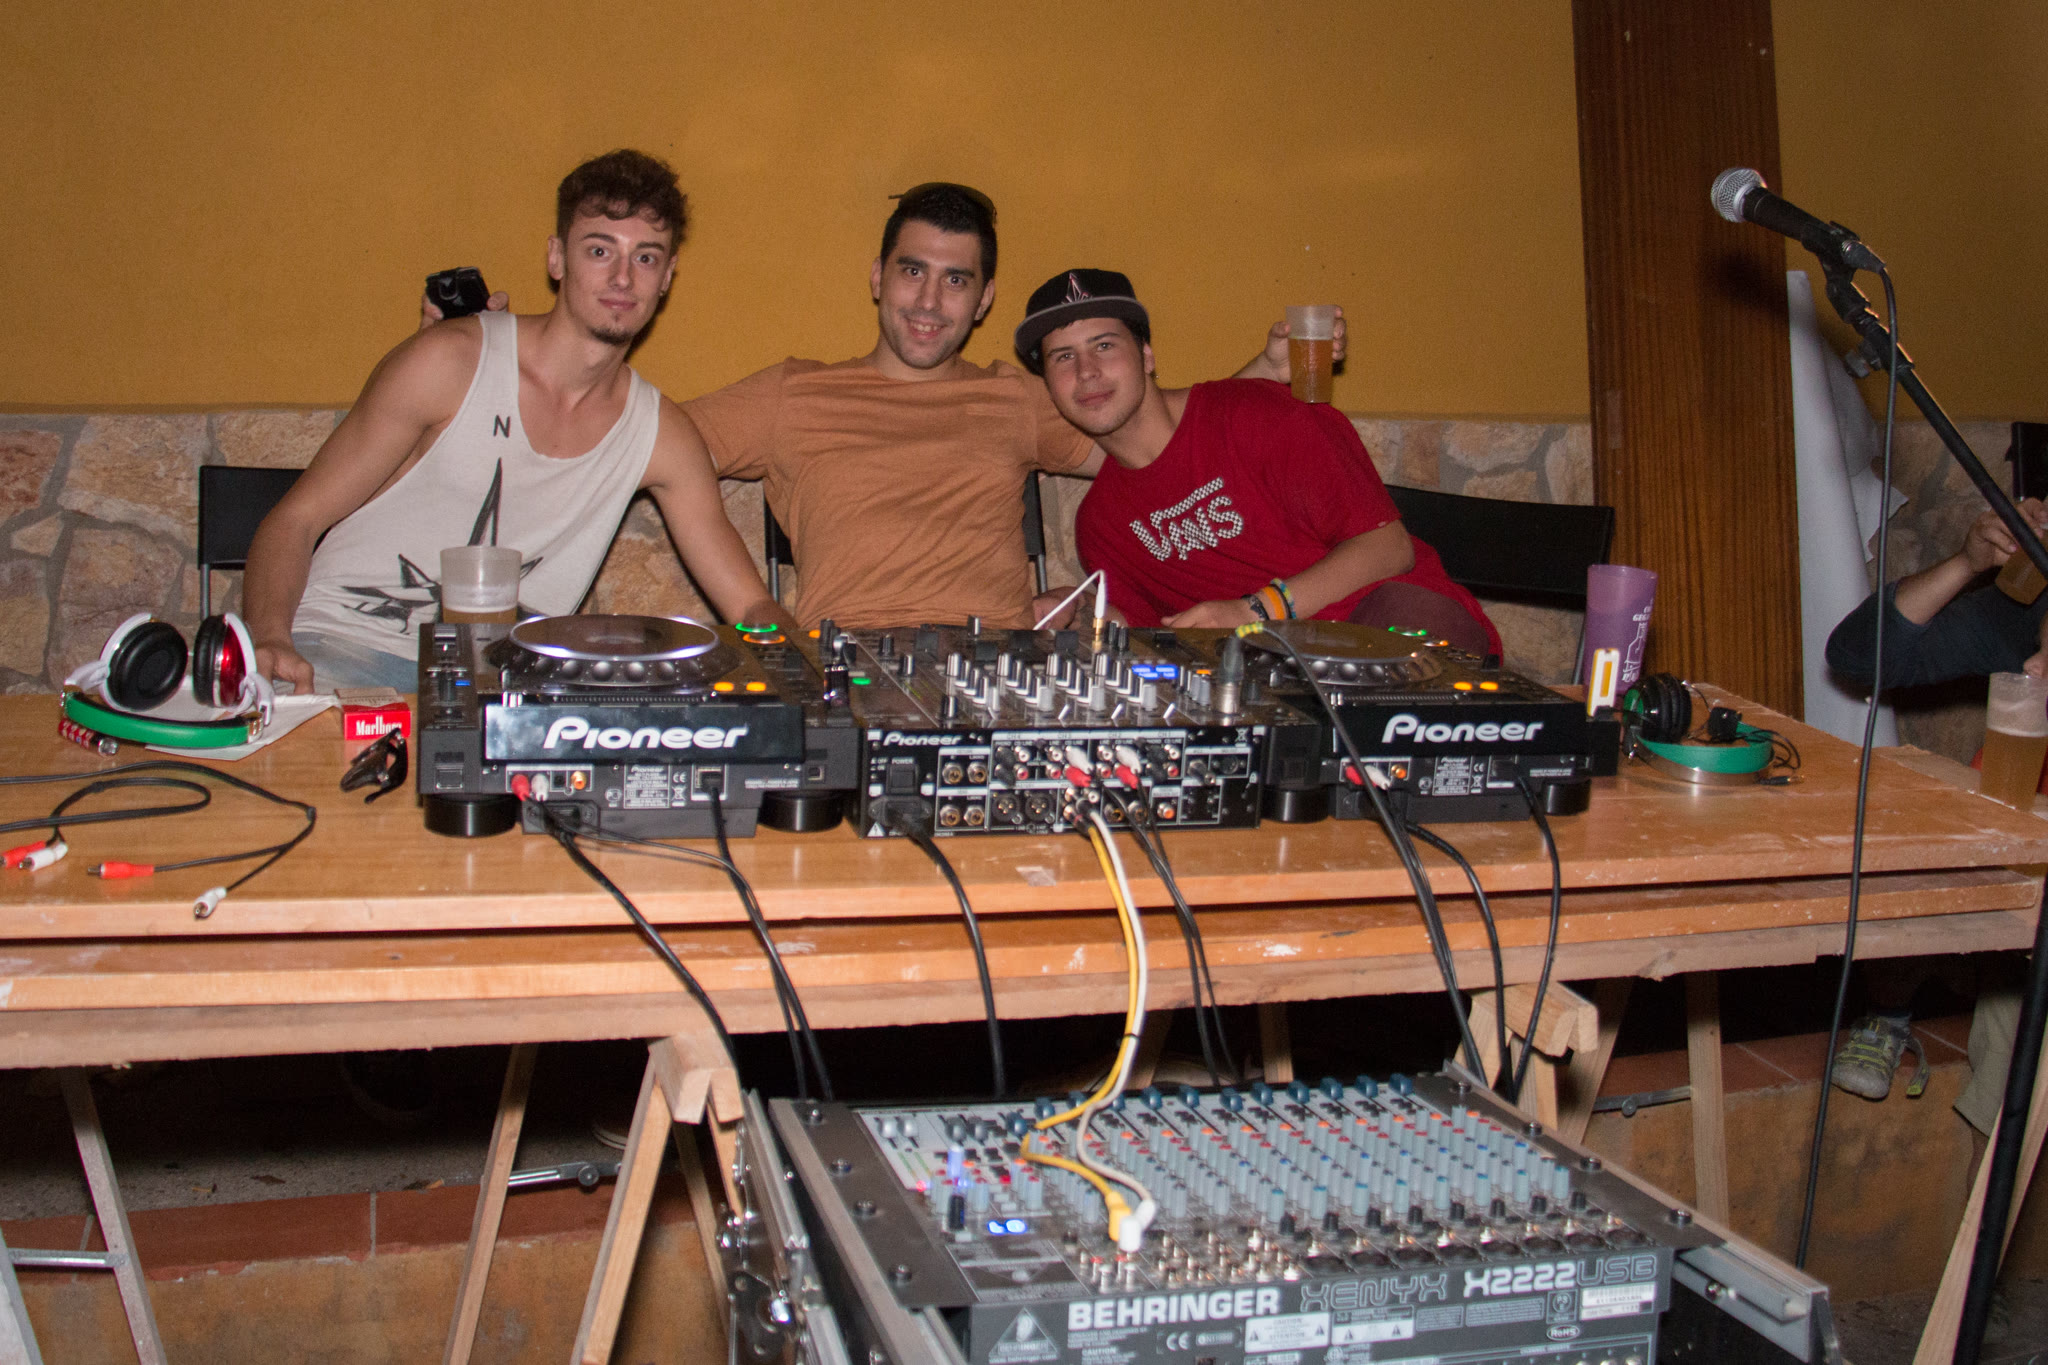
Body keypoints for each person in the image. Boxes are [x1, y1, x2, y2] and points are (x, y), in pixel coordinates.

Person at [245, 149, 781, 693]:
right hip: (345, 650)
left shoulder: (661, 435)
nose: (622, 277)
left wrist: (800, 662)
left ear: (666, 276)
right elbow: (294, 521)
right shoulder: (448, 361)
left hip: (501, 691)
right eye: (600, 250)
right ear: (557, 258)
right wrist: (269, 638)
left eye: (645, 258)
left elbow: (751, 607)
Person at [1013, 268, 1499, 654]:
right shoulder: (1100, 525)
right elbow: (1145, 628)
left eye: (1104, 345)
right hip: (1272, 681)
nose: (1087, 372)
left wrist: (1254, 612)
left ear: (1147, 355)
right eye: (1063, 357)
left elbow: (1389, 548)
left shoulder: (1262, 415)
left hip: (1392, 628)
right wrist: (1076, 608)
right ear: (1049, 386)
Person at [1823, 497, 2048, 1105]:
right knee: (1915, 815)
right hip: (2017, 855)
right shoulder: (2022, 615)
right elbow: (1857, 657)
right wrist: (1966, 563)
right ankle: (1889, 1007)